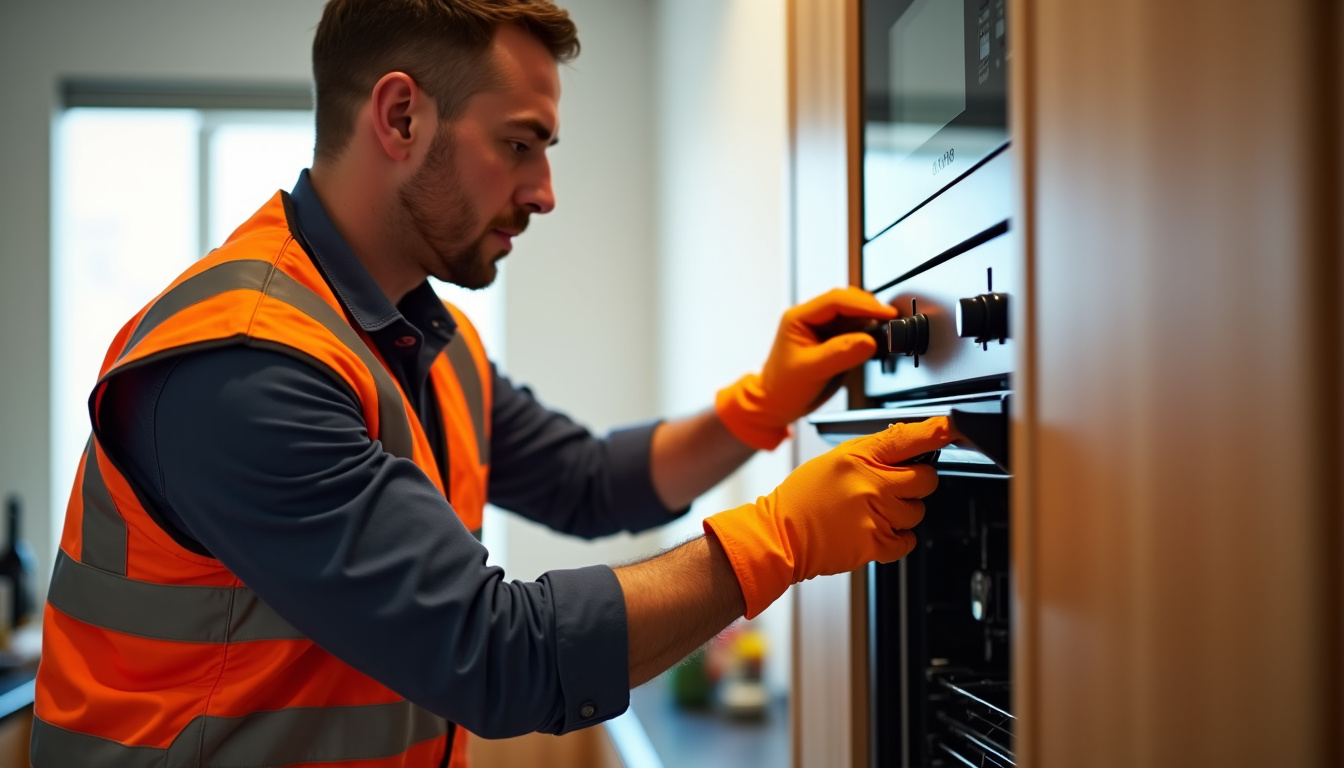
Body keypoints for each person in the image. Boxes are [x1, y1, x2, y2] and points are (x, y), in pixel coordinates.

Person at [31, 1, 953, 766]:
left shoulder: (420, 338)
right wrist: (779, 539)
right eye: (521, 145)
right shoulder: (245, 364)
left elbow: (591, 482)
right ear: (400, 118)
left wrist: (764, 404)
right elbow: (495, 656)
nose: (545, 190)